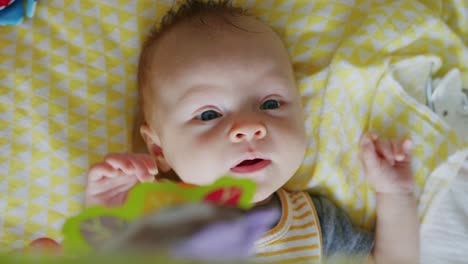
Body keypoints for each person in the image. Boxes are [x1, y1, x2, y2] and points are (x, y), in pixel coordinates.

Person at [85, 0, 419, 262]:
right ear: (159, 151)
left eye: (271, 104)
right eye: (209, 114)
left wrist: (395, 195)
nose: (248, 128)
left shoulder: (316, 224)